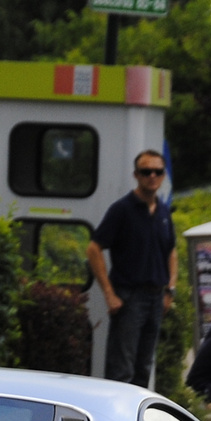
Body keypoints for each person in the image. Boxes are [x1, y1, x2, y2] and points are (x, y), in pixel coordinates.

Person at [87, 149, 178, 387]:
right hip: (129, 297)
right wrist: (109, 293)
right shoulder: (122, 210)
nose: (152, 176)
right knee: (122, 368)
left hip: (156, 297)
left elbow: (171, 251)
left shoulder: (164, 212)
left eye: (157, 172)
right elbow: (94, 249)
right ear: (136, 175)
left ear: (163, 175)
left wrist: (170, 289)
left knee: (144, 367)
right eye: (146, 171)